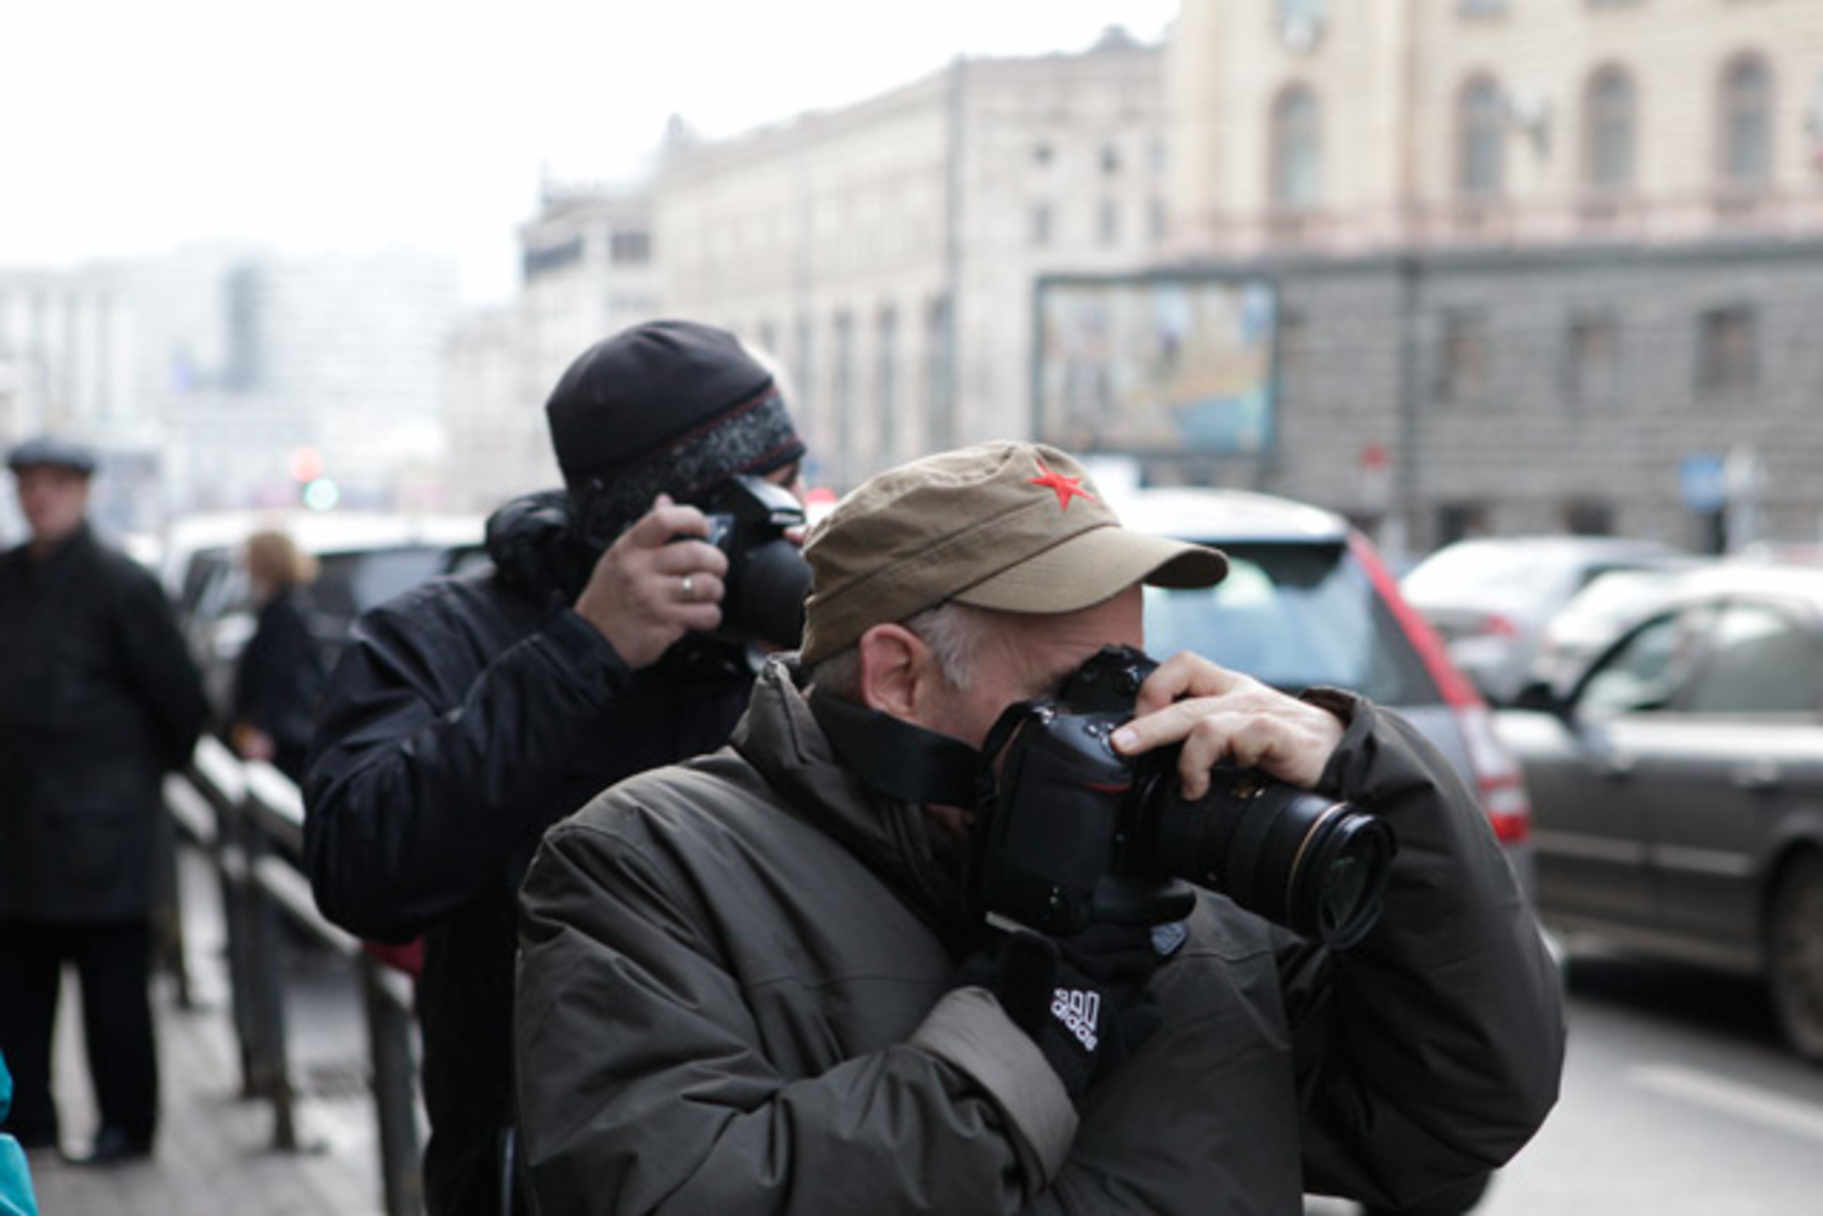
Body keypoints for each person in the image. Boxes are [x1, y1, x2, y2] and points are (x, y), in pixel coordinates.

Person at [514, 441, 1566, 1214]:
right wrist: (1027, 1035)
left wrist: (1368, 772)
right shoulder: (647, 863)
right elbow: (668, 1194)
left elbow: (1453, 1121)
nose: (1131, 721)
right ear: (898, 676)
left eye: (1134, 671)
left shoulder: (1181, 891)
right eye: (1082, 687)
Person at [302, 319, 808, 1216]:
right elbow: (359, 865)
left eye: (792, 487)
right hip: (530, 1170)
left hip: (776, 1152)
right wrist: (587, 650)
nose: (787, 524)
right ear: (660, 519)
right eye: (758, 504)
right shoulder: (439, 635)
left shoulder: (772, 652)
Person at [0, 436, 208, 1166]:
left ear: (83, 492)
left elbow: (182, 703)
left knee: (114, 998)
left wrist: (129, 779)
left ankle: (126, 1126)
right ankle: (29, 1123)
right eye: (29, 484)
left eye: (55, 484)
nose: (40, 498)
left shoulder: (123, 584)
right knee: (17, 998)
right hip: (16, 832)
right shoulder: (5, 580)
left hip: (106, 835)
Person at [230, 529, 327, 783]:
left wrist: (262, 728)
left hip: (283, 738)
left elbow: (279, 674)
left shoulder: (284, 612)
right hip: (284, 732)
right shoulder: (283, 605)